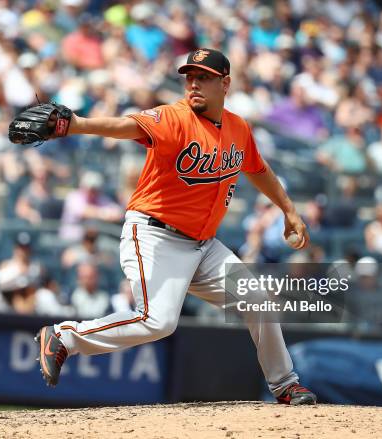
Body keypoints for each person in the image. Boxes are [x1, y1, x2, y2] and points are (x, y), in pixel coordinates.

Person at [31, 48, 316, 404]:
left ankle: (285, 385)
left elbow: (257, 170)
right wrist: (78, 124)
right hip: (154, 234)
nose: (193, 84)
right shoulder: (173, 117)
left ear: (225, 84)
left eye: (204, 77)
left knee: (258, 301)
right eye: (190, 77)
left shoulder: (238, 128)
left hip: (203, 246)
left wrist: (289, 209)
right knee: (157, 322)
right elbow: (129, 125)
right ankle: (64, 337)